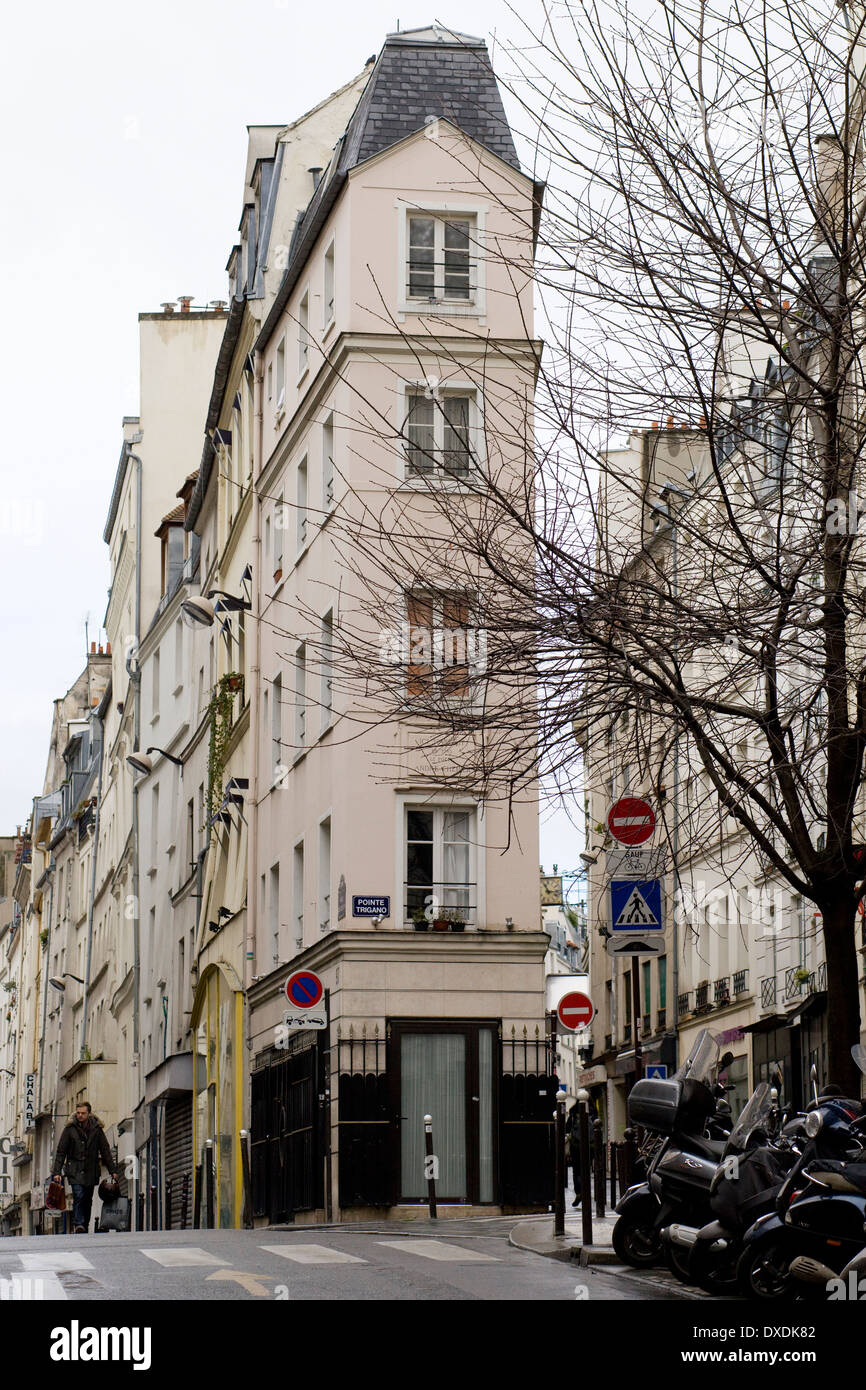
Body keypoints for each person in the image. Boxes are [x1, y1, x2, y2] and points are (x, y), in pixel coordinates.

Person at [51, 1101, 118, 1234]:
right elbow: (61, 1151)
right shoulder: (69, 1129)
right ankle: (78, 1224)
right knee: (78, 1195)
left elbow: (105, 1150)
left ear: (89, 1113)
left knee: (87, 1199)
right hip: (74, 1170)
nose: (80, 1115)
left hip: (91, 1170)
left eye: (83, 1113)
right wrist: (57, 1172)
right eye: (78, 1113)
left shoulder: (97, 1129)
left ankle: (84, 1224)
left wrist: (113, 1170)